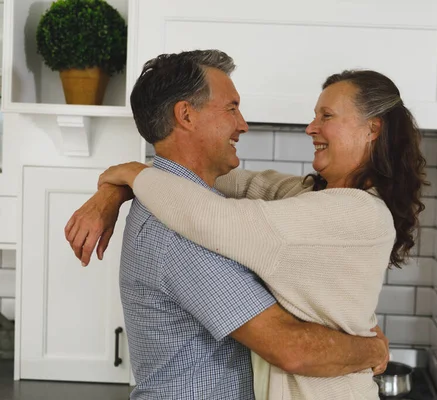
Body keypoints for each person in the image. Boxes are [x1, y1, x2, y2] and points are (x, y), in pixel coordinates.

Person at [65, 50, 390, 400]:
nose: (243, 124)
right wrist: (373, 350)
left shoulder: (190, 206)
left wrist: (119, 185)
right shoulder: (182, 230)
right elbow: (290, 347)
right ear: (186, 115)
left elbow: (264, 192)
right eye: (231, 108)